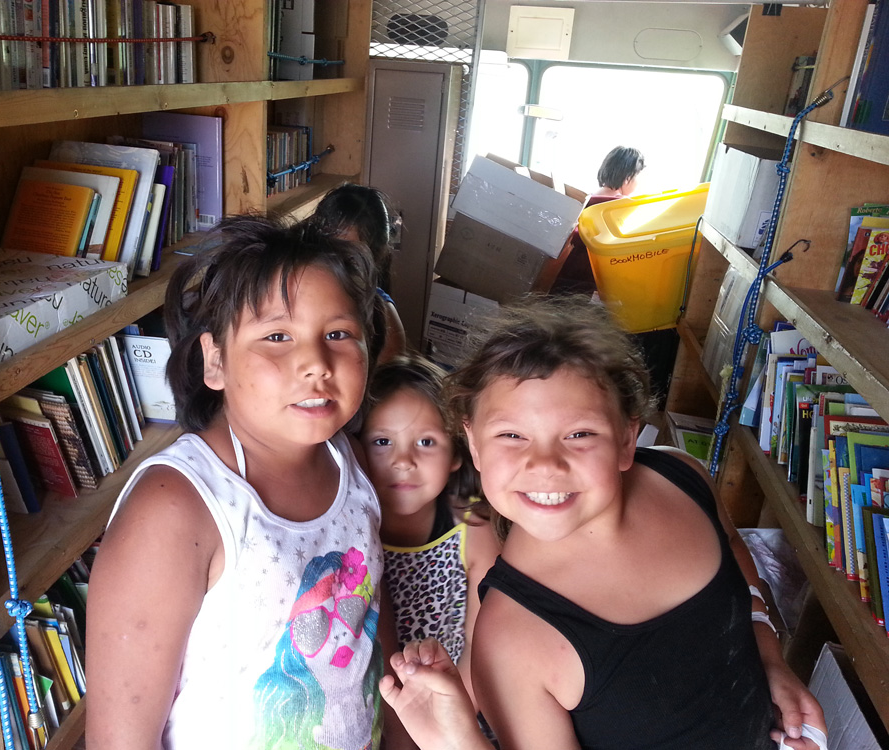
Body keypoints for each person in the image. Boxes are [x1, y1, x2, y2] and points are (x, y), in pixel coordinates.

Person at [380, 296, 826, 750]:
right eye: (511, 435)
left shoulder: (683, 479)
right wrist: (459, 742)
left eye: (580, 434)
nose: (546, 464)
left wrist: (771, 656)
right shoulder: (511, 640)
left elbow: (731, 546)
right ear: (473, 445)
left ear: (627, 439)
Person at [86, 215, 406, 749]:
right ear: (215, 361)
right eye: (277, 335)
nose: (315, 363)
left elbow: (371, 613)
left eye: (338, 334)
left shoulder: (348, 461)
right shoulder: (176, 507)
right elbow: (120, 740)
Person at [360, 355, 501, 707]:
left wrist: (451, 719)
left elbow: (486, 645)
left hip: (461, 698)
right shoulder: (348, 529)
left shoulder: (472, 527)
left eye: (425, 442)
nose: (403, 461)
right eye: (381, 442)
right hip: (371, 705)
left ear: (456, 452)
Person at [310, 183, 408, 363]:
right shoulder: (299, 291)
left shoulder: (384, 325)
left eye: (349, 255)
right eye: (327, 247)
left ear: (375, 256)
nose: (335, 262)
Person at [551, 146, 646, 297]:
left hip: (559, 277)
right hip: (587, 283)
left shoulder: (583, 200)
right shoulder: (622, 208)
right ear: (628, 177)